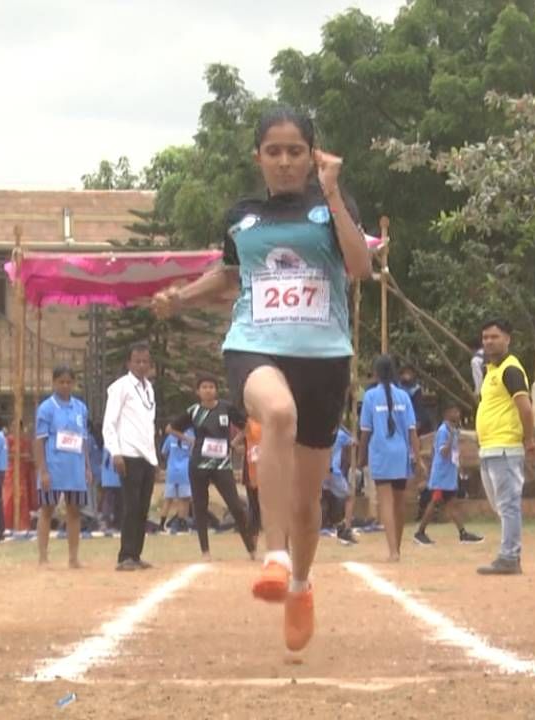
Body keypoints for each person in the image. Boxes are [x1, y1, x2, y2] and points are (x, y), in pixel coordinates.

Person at [152, 106, 371, 651]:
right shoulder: (242, 216)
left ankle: (300, 583)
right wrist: (180, 298)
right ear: (259, 157)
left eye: (295, 150)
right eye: (273, 151)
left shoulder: (331, 207)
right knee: (276, 413)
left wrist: (334, 192)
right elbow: (230, 276)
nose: (284, 161)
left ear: (313, 154)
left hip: (323, 357)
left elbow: (360, 268)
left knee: (306, 501)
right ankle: (273, 557)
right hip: (253, 344)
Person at [474, 319, 535, 576]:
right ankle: (509, 551)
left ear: (507, 339)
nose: (489, 341)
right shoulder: (491, 371)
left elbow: (525, 407)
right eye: (486, 337)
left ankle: (509, 556)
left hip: (505, 447)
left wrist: (529, 439)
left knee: (508, 503)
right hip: (489, 448)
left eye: (494, 336)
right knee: (500, 505)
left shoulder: (511, 370)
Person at [168, 375, 256, 560]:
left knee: (236, 506)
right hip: (199, 464)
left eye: (211, 387)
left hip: (222, 464)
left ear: (216, 390)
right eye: (204, 387)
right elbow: (171, 428)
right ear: (198, 391)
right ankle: (205, 551)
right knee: (200, 506)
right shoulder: (194, 411)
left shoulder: (226, 408)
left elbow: (246, 427)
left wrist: (233, 443)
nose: (208, 390)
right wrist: (189, 439)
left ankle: (251, 549)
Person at [359, 355, 421, 563]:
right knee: (399, 502)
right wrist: (417, 456)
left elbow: (366, 432)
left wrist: (361, 458)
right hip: (401, 453)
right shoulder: (404, 396)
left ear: (375, 373)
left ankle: (392, 550)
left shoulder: (370, 397)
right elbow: (413, 431)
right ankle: (398, 547)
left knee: (385, 501)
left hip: (381, 453)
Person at [103, 344, 158, 571]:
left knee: (143, 508)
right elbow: (110, 423)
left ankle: (136, 554)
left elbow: (148, 424)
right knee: (131, 506)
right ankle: (125, 555)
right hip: (128, 454)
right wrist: (115, 452)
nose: (141, 365)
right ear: (128, 363)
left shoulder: (149, 389)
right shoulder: (120, 387)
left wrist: (154, 456)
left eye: (145, 361)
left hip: (147, 456)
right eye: (137, 361)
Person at [35, 366, 91, 568]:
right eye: (61, 382)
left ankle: (73, 558)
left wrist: (87, 467)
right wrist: (43, 470)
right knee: (47, 510)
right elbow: (40, 440)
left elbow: (83, 439)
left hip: (74, 469)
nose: (65, 386)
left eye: (69, 382)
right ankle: (43, 557)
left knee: (74, 511)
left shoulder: (81, 408)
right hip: (54, 467)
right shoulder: (46, 408)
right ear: (54, 382)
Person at [414, 403, 483, 546]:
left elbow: (453, 453)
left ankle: (463, 533)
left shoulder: (454, 430)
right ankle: (420, 532)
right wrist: (451, 438)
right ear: (446, 414)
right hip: (441, 475)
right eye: (454, 411)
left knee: (452, 504)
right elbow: (443, 452)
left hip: (449, 473)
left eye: (458, 411)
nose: (457, 414)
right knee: (435, 501)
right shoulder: (443, 431)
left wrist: (459, 466)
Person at [324, 417, 357, 546]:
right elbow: (354, 442)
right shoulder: (341, 434)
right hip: (333, 471)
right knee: (350, 496)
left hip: (321, 471)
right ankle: (346, 529)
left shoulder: (322, 434)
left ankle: (339, 525)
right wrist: (348, 431)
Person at [159, 428, 193, 534]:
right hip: (184, 470)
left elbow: (164, 452)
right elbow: (193, 452)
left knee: (168, 499)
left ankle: (161, 524)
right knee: (184, 499)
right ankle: (182, 523)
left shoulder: (171, 436)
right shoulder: (191, 435)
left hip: (172, 470)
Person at [398, 365, 433, 436]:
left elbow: (418, 406)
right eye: (405, 373)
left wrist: (418, 420)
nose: (407, 376)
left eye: (409, 373)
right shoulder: (397, 388)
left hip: (414, 414)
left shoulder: (416, 389)